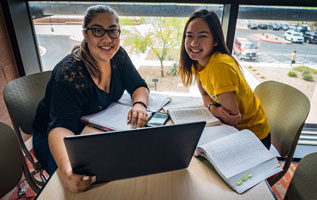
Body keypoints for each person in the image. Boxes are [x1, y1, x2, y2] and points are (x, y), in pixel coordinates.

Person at [32, 5, 149, 192]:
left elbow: (138, 85)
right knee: (80, 185)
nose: (107, 39)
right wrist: (66, 169)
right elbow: (60, 127)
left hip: (96, 128)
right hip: (54, 137)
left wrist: (140, 104)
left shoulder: (118, 56)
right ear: (85, 34)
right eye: (97, 31)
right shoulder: (69, 74)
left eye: (113, 31)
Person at [178, 9, 271, 149]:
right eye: (189, 36)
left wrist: (214, 110)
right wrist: (213, 109)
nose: (193, 43)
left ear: (215, 40)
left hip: (253, 137)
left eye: (202, 36)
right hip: (235, 130)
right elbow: (204, 95)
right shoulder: (198, 61)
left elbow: (231, 118)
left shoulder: (219, 66)